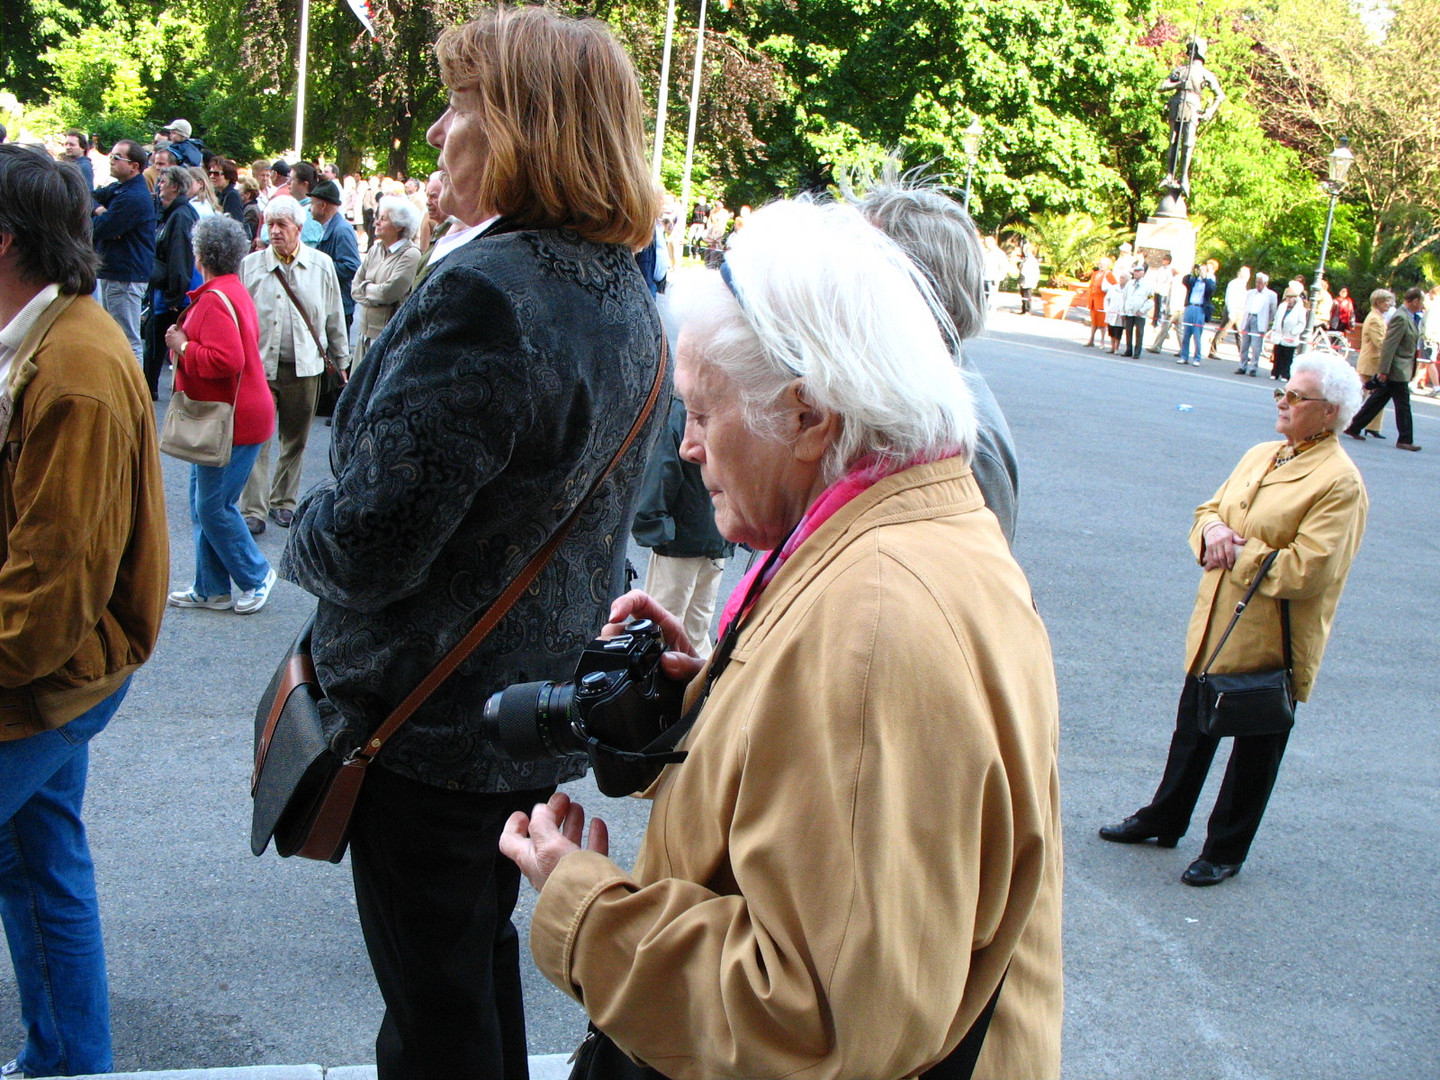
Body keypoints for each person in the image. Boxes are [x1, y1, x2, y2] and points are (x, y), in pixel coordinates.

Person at [500, 199, 1063, 1079]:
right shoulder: (899, 523)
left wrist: (581, 903)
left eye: (702, 411)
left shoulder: (873, 620)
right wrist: (707, 702)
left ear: (811, 417)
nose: (686, 447)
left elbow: (813, 1021)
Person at [278, 9, 665, 1078]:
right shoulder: (621, 291)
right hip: (524, 711)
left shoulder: (491, 293)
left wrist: (295, 532)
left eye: (462, 105)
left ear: (525, 129)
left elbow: (371, 542)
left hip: (431, 723)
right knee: (464, 970)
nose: (443, 130)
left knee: (433, 1017)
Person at [0, 144, 167, 1079]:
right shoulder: (47, 340)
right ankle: (69, 1062)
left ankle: (71, 1061)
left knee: (41, 862)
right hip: (59, 668)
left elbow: (44, 610)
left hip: (55, 674)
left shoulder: (72, 368)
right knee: (37, 858)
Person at [1101, 351, 1367, 885]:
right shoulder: (1264, 454)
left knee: (1255, 745)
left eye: (1297, 397)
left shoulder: (1340, 482)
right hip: (1217, 623)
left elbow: (1307, 571)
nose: (1284, 403)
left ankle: (1226, 848)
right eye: (1282, 392)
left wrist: (1237, 551)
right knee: (1192, 728)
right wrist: (1213, 534)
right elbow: (1209, 512)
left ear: (1330, 411)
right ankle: (1165, 816)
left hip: (1271, 637)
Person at [856, 174, 1021, 543]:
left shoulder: (963, 438)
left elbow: (976, 587)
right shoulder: (894, 393)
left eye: (857, 273)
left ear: (918, 288)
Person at [161, 216, 276, 617]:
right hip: (238, 416)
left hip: (232, 420)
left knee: (213, 505)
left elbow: (227, 360)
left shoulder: (213, 298)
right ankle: (211, 588)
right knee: (204, 503)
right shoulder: (232, 289)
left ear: (200, 254)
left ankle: (256, 574)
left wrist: (184, 346)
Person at [237, 195, 348, 535]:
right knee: (258, 439)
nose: (275, 231)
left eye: (282, 225)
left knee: (295, 439)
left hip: (305, 368)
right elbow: (239, 317)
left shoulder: (321, 265)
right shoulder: (251, 265)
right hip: (259, 367)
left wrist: (342, 360)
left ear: (299, 229)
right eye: (270, 225)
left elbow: (334, 316)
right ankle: (253, 508)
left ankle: (283, 502)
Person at [630, 397, 735, 659]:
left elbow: (662, 473)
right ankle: (700, 694)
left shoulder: (680, 412)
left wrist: (653, 526)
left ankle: (660, 693)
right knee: (697, 630)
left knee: (660, 626)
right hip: (717, 536)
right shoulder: (729, 403)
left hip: (681, 538)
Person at [91, 139, 156, 366]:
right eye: (111, 156)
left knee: (126, 339)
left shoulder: (133, 196)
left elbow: (101, 228)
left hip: (126, 277)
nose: (112, 160)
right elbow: (87, 196)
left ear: (134, 166)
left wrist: (103, 220)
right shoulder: (119, 189)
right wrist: (100, 210)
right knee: (110, 335)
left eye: (117, 157)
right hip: (113, 273)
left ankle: (134, 393)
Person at [1343, 286, 1424, 452]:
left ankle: (1354, 426)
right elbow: (1388, 345)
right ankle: (1405, 439)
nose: (1422, 305)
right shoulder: (1401, 317)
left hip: (1399, 368)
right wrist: (1384, 370)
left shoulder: (1408, 317)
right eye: (1421, 301)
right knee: (1403, 405)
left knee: (1377, 400)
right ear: (1414, 301)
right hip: (1397, 369)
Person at [146, 164, 200, 398]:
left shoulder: (180, 216)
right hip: (170, 292)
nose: (159, 187)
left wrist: (174, 297)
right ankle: (151, 389)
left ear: (176, 187)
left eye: (163, 183)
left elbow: (180, 258)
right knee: (157, 344)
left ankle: (151, 391)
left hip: (173, 295)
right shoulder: (174, 214)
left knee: (159, 345)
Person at [350, 194, 421, 367]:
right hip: (364, 335)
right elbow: (354, 287)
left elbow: (388, 293)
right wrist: (372, 291)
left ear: (398, 225)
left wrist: (365, 289)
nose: (376, 223)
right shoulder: (375, 249)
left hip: (386, 338)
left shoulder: (410, 255)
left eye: (383, 219)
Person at [310, 179, 360, 332]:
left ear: (322, 206)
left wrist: (318, 265)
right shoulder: (331, 227)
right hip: (333, 304)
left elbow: (351, 267)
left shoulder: (341, 230)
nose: (309, 209)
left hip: (340, 307)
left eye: (312, 204)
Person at [1352, 288, 1394, 437]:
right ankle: (1351, 421)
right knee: (1360, 394)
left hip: (1374, 361)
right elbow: (1380, 342)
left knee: (1377, 395)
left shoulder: (1378, 317)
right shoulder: (1374, 318)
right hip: (1371, 362)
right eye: (1387, 301)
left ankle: (1373, 426)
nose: (1389, 304)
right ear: (1379, 302)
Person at [1235, 271, 1278, 376]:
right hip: (1248, 317)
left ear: (1265, 284)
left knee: (1256, 346)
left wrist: (1267, 321)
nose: (1257, 285)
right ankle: (1242, 365)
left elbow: (1273, 310)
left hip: (1259, 319)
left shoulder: (1271, 295)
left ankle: (1253, 367)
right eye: (1256, 282)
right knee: (1244, 344)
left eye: (1260, 283)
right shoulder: (1250, 293)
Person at [1207, 265, 1251, 358]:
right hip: (1232, 310)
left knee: (1240, 333)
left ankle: (1243, 354)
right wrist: (1231, 312)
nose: (1248, 276)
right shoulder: (1234, 283)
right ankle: (1213, 351)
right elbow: (1230, 298)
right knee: (1223, 330)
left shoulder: (1242, 284)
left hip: (1239, 311)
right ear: (1242, 274)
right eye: (1247, 274)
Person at [1269, 283, 1308, 381]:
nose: (1289, 300)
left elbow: (1301, 323)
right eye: (1287, 297)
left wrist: (1294, 332)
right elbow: (1277, 318)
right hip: (1280, 335)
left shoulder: (1300, 309)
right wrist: (1274, 329)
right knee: (1277, 355)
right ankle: (1275, 373)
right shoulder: (1282, 306)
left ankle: (1285, 374)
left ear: (1295, 298)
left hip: (1290, 336)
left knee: (1287, 357)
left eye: (1291, 298)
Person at [1178, 262, 1215, 365]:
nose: (1200, 271)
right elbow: (1185, 281)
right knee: (1186, 334)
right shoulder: (1194, 280)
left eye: (1203, 270)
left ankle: (1197, 358)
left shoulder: (1209, 282)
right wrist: (1191, 270)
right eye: (1200, 270)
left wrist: (1205, 278)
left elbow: (1211, 289)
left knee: (1197, 334)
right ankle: (1184, 356)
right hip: (1190, 306)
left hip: (1200, 309)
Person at [1119, 260, 1151, 359]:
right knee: (1128, 331)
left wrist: (1143, 310)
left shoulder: (1147, 285)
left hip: (1140, 313)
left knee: (1139, 332)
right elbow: (1124, 297)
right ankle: (1128, 350)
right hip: (1129, 311)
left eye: (1138, 271)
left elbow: (1150, 300)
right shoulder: (1130, 283)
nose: (1136, 273)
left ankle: (1137, 352)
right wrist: (1123, 310)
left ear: (1143, 273)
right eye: (1135, 271)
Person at [1085, 256, 1115, 347]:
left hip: (1102, 301)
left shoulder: (1108, 274)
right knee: (1094, 321)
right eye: (1100, 263)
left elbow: (1115, 285)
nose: (1101, 265)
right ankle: (1091, 339)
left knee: (1102, 323)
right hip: (1093, 300)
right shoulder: (1095, 273)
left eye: (1103, 264)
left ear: (1108, 265)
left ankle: (1102, 341)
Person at [208, 157, 245, 224]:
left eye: (216, 174)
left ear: (228, 177)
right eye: (210, 173)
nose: (212, 176)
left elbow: (236, 223)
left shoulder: (232, 196)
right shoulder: (217, 193)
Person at [1018, 239, 1040, 314]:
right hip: (1024, 279)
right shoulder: (1026, 259)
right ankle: (1023, 309)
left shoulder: (1033, 261)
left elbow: (1034, 272)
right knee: (1023, 294)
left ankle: (1027, 310)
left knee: (1027, 295)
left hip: (1029, 280)